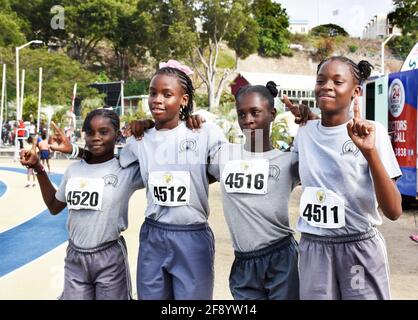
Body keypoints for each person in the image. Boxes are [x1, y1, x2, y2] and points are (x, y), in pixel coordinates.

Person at [290, 56, 402, 300]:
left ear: (356, 91)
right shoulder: (305, 132)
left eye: (337, 81)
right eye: (321, 80)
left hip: (358, 249)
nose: (327, 86)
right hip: (313, 249)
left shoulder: (372, 132)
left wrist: (369, 152)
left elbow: (393, 210)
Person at [120, 63, 226, 300]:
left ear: (184, 100)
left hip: (192, 235)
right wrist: (77, 152)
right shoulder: (139, 139)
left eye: (167, 94)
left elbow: (223, 170)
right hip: (153, 235)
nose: (157, 99)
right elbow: (113, 165)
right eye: (152, 92)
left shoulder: (203, 133)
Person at [20, 109, 144, 300]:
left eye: (104, 132)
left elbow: (157, 157)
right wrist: (38, 168)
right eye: (90, 132)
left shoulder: (126, 170)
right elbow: (54, 207)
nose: (96, 137)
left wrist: (147, 125)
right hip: (75, 258)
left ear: (117, 135)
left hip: (109, 258)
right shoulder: (74, 170)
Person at [207, 81, 302, 300]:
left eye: (255, 113)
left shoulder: (288, 161)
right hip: (244, 261)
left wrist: (309, 122)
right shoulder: (224, 155)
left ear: (272, 114)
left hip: (281, 257)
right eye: (241, 114)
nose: (247, 120)